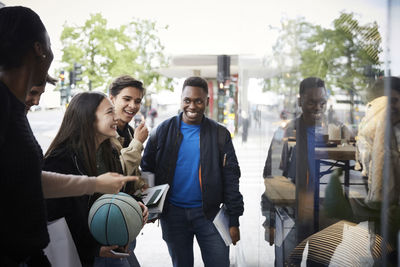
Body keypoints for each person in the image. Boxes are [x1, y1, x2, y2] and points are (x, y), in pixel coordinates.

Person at [0, 6, 136, 266]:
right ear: (39, 49)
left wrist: (95, 184)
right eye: (50, 45)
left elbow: (27, 180)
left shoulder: (13, 107)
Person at [141, 76, 244, 267]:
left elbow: (231, 179)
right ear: (181, 100)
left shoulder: (220, 135)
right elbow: (147, 170)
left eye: (198, 101)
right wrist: (152, 208)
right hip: (173, 216)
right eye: (187, 100)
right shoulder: (163, 131)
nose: (192, 106)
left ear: (207, 101)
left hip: (210, 216)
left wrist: (234, 220)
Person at [44, 92, 148, 267]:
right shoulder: (59, 160)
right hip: (85, 254)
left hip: (110, 246)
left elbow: (114, 193)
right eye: (109, 112)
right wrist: (93, 248)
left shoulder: (110, 151)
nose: (117, 117)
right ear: (88, 118)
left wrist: (133, 204)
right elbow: (56, 218)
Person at [108, 75, 149, 267]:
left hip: (127, 219)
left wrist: (142, 191)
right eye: (127, 99)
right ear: (112, 98)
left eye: (137, 101)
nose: (133, 106)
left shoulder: (130, 131)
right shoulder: (104, 131)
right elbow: (115, 173)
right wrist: (138, 143)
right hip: (109, 222)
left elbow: (132, 173)